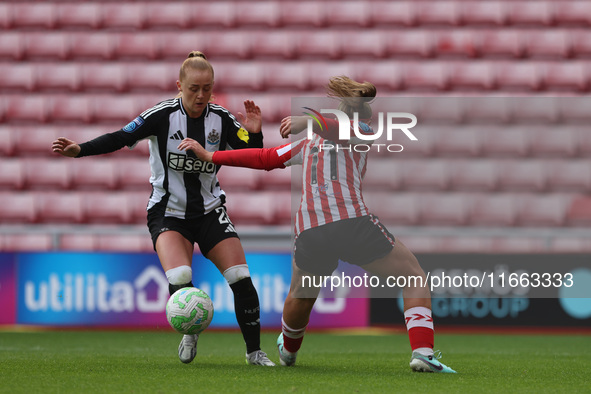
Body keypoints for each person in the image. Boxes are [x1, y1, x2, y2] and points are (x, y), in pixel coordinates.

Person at [181, 76, 456, 373]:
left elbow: (267, 158)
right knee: (412, 275)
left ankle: (287, 348)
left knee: (301, 295)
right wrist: (309, 120)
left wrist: (212, 155)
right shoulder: (362, 131)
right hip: (351, 222)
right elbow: (272, 154)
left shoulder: (310, 141)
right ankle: (423, 353)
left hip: (311, 230)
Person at [51, 51, 275, 366]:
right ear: (179, 86)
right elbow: (120, 136)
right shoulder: (161, 115)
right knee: (181, 274)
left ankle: (254, 352)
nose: (201, 95)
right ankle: (190, 328)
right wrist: (80, 150)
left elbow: (252, 155)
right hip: (168, 213)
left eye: (207, 88)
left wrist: (254, 132)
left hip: (210, 211)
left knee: (240, 276)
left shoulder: (221, 119)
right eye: (194, 88)